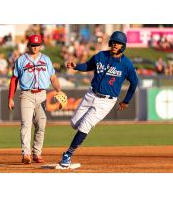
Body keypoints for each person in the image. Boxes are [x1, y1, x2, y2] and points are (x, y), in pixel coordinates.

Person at [59, 31, 138, 167]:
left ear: (123, 46)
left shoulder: (126, 64)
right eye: (113, 41)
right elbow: (88, 66)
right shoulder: (101, 55)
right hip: (91, 94)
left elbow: (134, 82)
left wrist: (126, 100)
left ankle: (68, 154)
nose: (115, 44)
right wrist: (76, 66)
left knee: (85, 125)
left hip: (106, 101)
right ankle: (73, 146)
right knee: (74, 123)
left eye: (118, 43)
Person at [8, 34, 63, 164]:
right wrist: (10, 98)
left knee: (41, 125)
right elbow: (14, 79)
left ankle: (37, 153)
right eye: (33, 45)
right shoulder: (21, 60)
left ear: (40, 45)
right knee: (26, 124)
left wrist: (59, 90)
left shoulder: (46, 59)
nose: (35, 47)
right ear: (28, 45)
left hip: (42, 94)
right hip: (26, 94)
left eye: (37, 45)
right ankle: (26, 153)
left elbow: (53, 78)